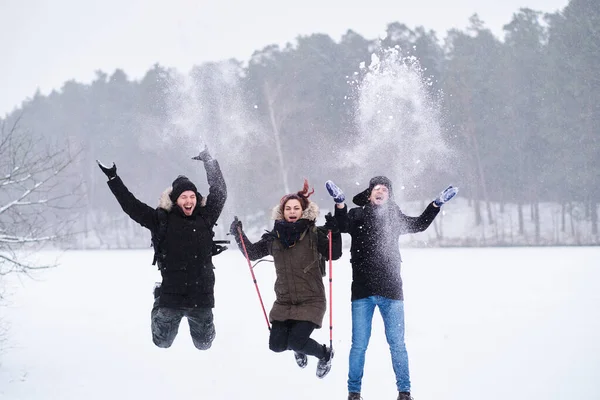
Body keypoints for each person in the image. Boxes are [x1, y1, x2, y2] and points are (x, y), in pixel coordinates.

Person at [325, 177, 458, 400]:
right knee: (359, 346)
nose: (381, 191)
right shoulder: (357, 215)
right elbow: (341, 225)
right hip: (362, 292)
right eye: (377, 188)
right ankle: (354, 393)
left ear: (389, 196)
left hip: (392, 292)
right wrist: (340, 203)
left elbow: (419, 224)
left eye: (385, 189)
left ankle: (404, 392)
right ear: (369, 194)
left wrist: (436, 204)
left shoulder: (394, 217)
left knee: (397, 345)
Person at [96, 146, 227, 350]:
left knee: (204, 344)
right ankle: (157, 298)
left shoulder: (206, 217)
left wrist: (209, 161)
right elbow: (130, 205)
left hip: (201, 296)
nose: (189, 200)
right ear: (175, 200)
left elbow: (219, 191)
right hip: (171, 296)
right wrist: (114, 179)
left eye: (192, 196)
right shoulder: (161, 220)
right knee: (162, 342)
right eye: (184, 197)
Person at [229, 179, 342, 378]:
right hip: (284, 301)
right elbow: (252, 253)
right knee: (277, 345)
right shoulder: (274, 239)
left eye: (296, 208)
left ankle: (325, 354)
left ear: (303, 210)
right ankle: (298, 347)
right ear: (282, 212)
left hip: (311, 300)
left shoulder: (314, 234)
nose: (291, 211)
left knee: (297, 341)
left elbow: (335, 253)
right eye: (288, 208)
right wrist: (239, 234)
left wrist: (336, 231)